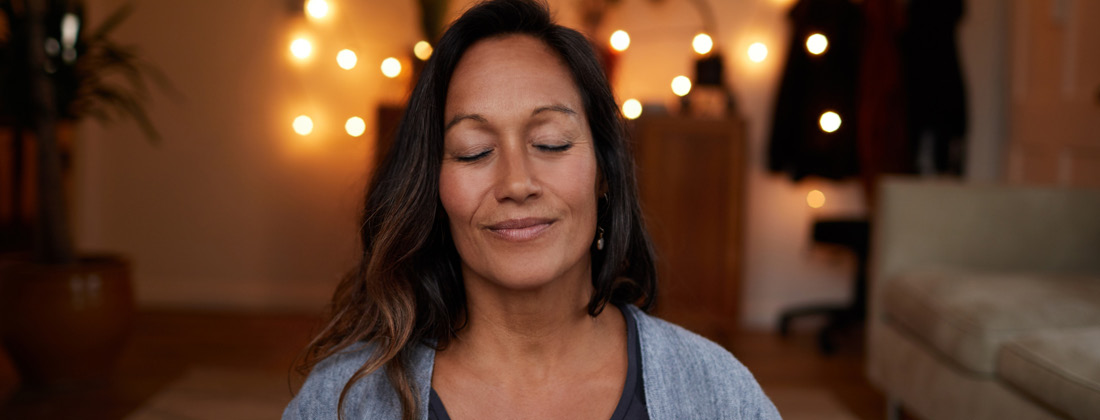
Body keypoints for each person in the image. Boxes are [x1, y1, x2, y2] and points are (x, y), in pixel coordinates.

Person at [283, 1, 779, 419]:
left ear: (604, 174)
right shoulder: (343, 400)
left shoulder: (718, 393)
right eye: (474, 151)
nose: (516, 183)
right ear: (432, 186)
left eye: (551, 143)